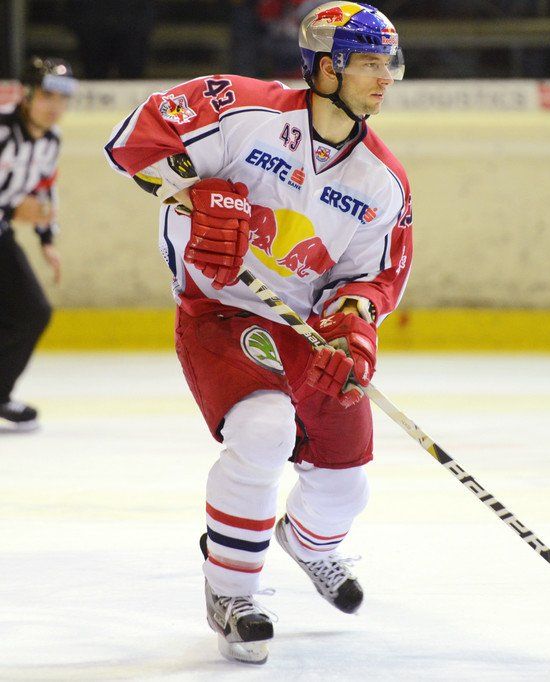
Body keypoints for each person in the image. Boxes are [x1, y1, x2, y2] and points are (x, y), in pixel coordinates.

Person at [104, 1, 413, 664]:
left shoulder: (382, 181)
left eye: (388, 63)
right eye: (368, 63)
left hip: (304, 328)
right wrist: (191, 193)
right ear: (324, 68)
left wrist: (352, 332)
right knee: (264, 428)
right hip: (218, 310)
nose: (384, 78)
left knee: (346, 485)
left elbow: (373, 277)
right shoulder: (245, 112)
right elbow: (135, 140)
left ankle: (307, 542)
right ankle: (232, 591)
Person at [0, 57, 76, 431]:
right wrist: (13, 207)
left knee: (32, 311)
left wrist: (47, 239)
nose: (55, 106)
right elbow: (19, 202)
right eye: (47, 96)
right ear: (28, 95)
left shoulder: (51, 140)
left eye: (63, 98)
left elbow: (45, 186)